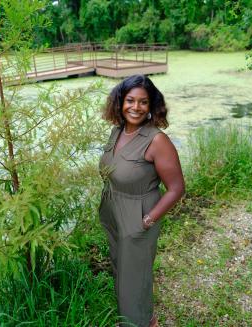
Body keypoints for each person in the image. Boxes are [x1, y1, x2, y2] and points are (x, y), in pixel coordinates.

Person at [98, 74, 185, 327]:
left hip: (139, 214)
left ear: (152, 106)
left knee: (133, 279)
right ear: (120, 102)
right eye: (130, 100)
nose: (136, 108)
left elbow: (176, 188)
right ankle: (143, 318)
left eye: (143, 102)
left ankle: (140, 323)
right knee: (122, 272)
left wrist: (148, 220)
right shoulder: (116, 132)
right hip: (113, 212)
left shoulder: (157, 140)